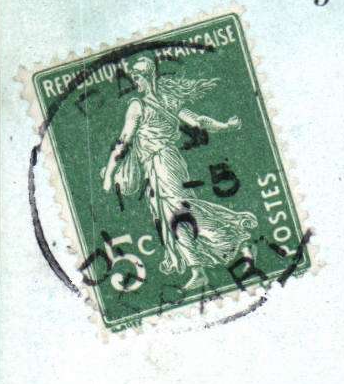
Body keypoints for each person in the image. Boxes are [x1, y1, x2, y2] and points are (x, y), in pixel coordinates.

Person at [99, 54, 260, 291]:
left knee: (177, 213)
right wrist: (225, 126)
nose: (135, 82)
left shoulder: (138, 106)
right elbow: (198, 121)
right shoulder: (169, 100)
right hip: (168, 164)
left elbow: (124, 141)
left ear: (147, 77)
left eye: (137, 77)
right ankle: (203, 266)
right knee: (177, 214)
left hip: (161, 165)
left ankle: (234, 236)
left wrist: (109, 174)